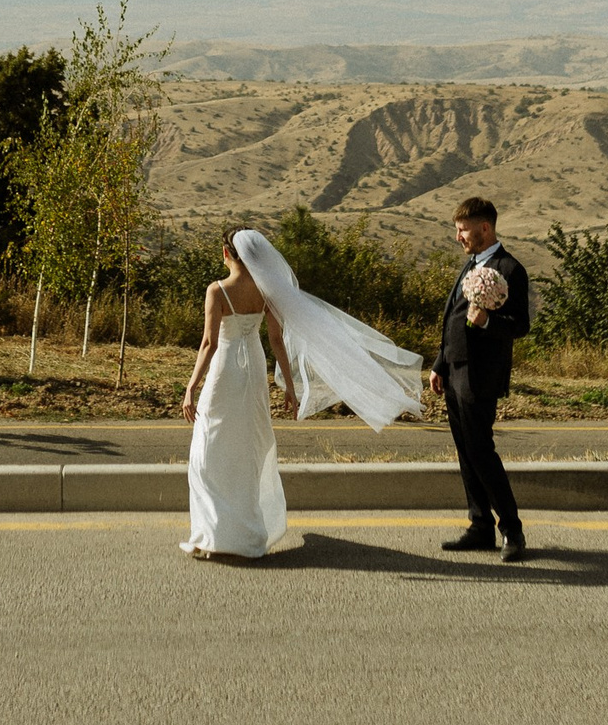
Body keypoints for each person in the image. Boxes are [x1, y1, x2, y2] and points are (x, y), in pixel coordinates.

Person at [179, 228, 431, 559]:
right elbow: (276, 339)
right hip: (253, 367)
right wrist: (289, 385)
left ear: (226, 254)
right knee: (247, 443)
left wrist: (191, 386)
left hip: (226, 369)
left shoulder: (217, 290)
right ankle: (241, 534)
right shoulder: (266, 289)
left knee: (208, 448)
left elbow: (209, 343)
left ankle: (214, 534)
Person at [428, 195, 534, 562]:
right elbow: (455, 318)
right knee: (466, 452)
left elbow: (520, 325)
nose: (459, 237)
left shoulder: (509, 268)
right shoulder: (472, 264)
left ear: (484, 228)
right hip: (455, 372)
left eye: (463, 230)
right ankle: (479, 526)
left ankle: (513, 531)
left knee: (481, 452)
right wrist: (440, 364)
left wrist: (488, 322)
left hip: (481, 376)